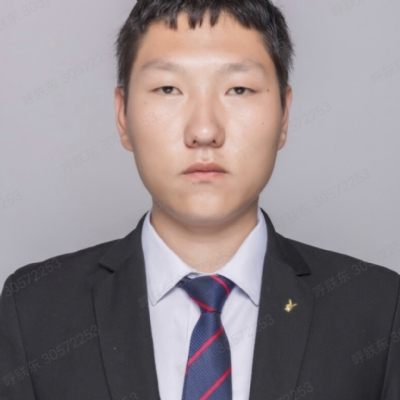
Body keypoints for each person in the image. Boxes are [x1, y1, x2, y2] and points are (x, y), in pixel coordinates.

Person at [1, 1, 399, 399]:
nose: (204, 130)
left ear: (284, 114)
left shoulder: (378, 310)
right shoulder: (34, 311)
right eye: (168, 89)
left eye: (238, 89)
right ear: (123, 116)